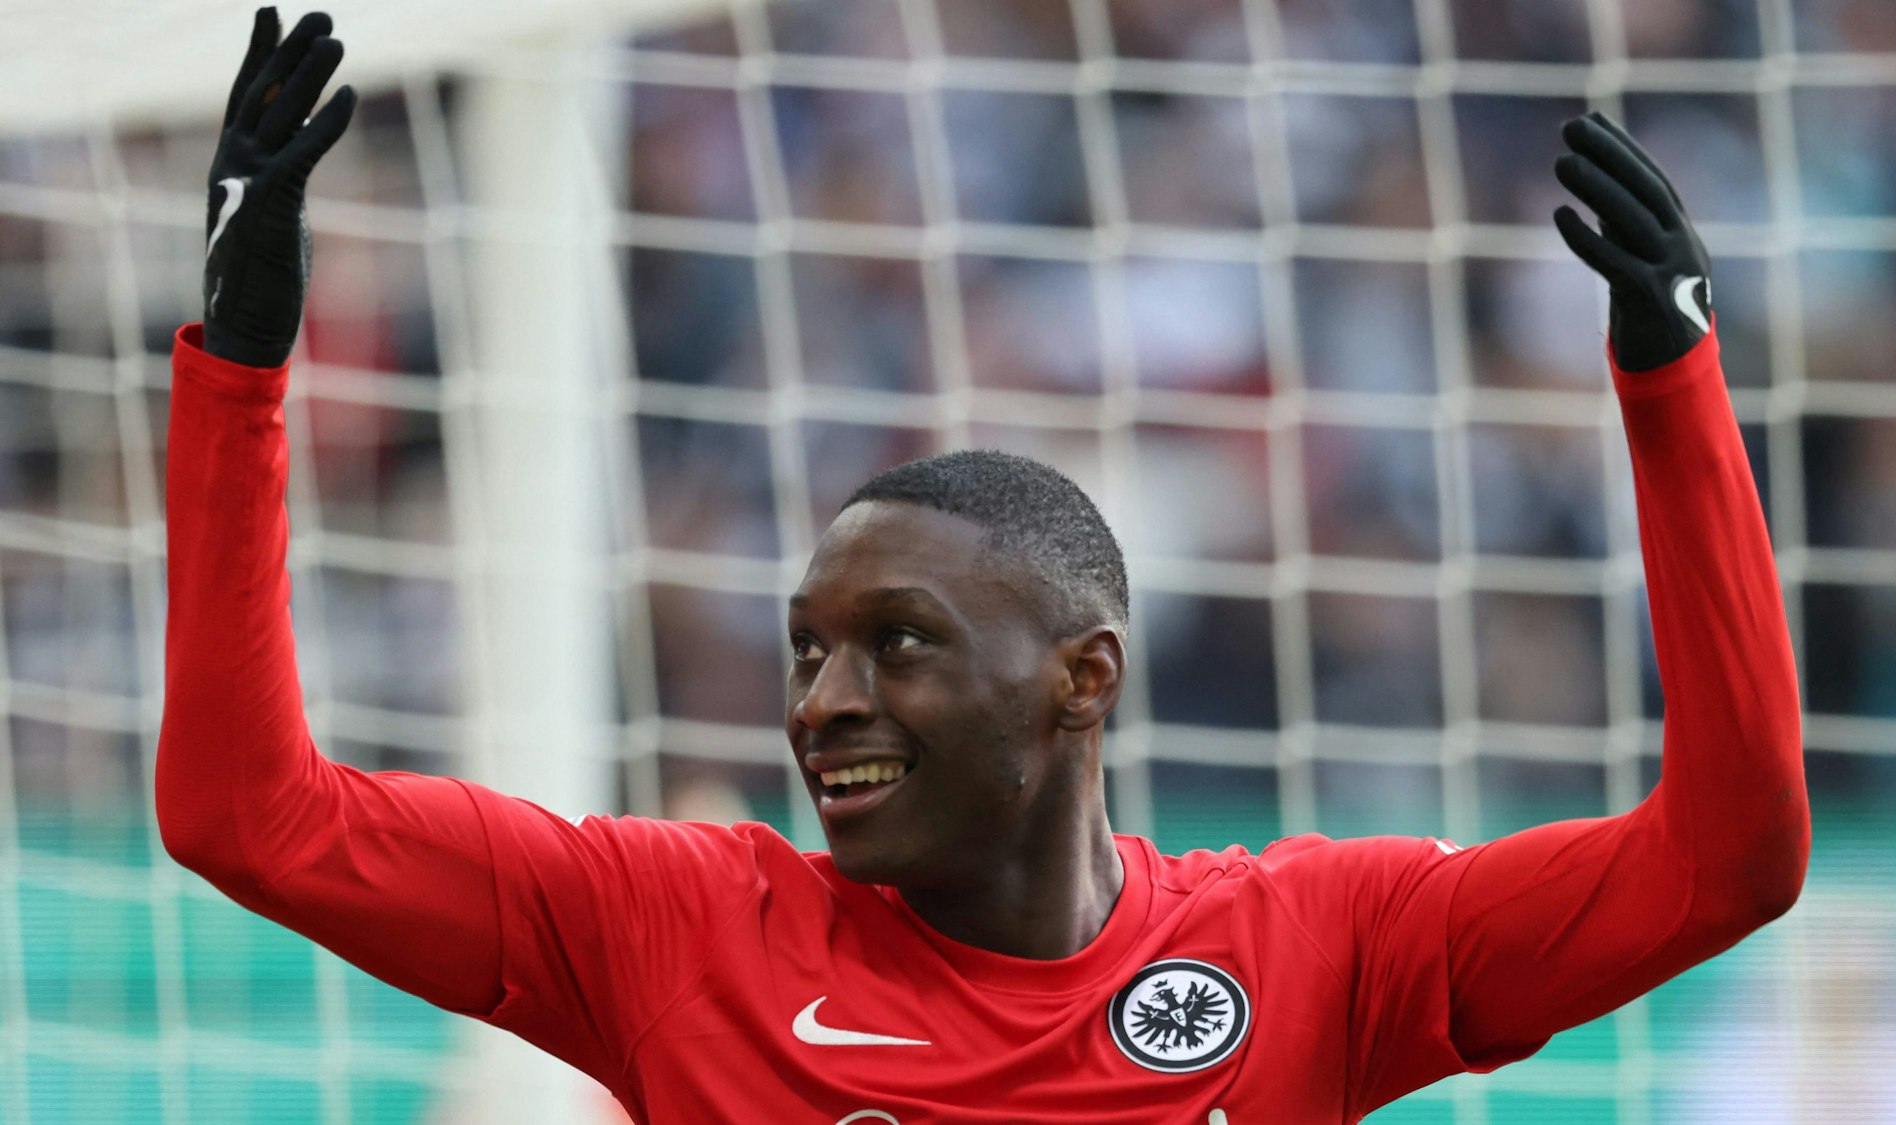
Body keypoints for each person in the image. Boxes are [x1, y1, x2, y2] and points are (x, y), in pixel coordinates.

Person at [157, 10, 1809, 1123]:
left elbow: (1728, 857)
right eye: (808, 649)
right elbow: (251, 816)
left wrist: (1671, 389)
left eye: (898, 642)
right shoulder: (675, 931)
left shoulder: (1312, 947)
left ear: (1083, 677)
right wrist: (239, 370)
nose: (827, 700)